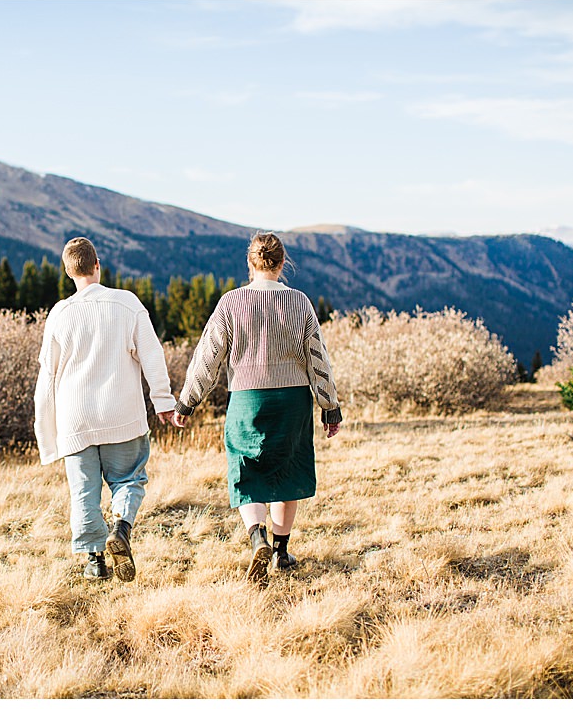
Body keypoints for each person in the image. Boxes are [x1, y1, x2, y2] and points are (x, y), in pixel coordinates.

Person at [172, 231, 342, 582]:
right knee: (287, 471)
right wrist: (330, 406)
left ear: (250, 263)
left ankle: (256, 537)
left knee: (246, 469)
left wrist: (188, 401)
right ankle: (280, 552)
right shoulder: (300, 302)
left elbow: (208, 357)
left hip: (247, 398)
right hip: (292, 400)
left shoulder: (230, 303)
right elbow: (318, 359)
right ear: (281, 263)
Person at [34, 237, 176, 582]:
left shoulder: (59, 314)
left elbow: (47, 376)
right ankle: (121, 528)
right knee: (130, 478)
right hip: (121, 414)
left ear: (69, 273)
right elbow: (152, 356)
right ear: (97, 266)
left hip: (75, 419)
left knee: (83, 492)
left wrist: (46, 433)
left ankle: (95, 562)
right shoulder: (126, 303)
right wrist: (163, 402)